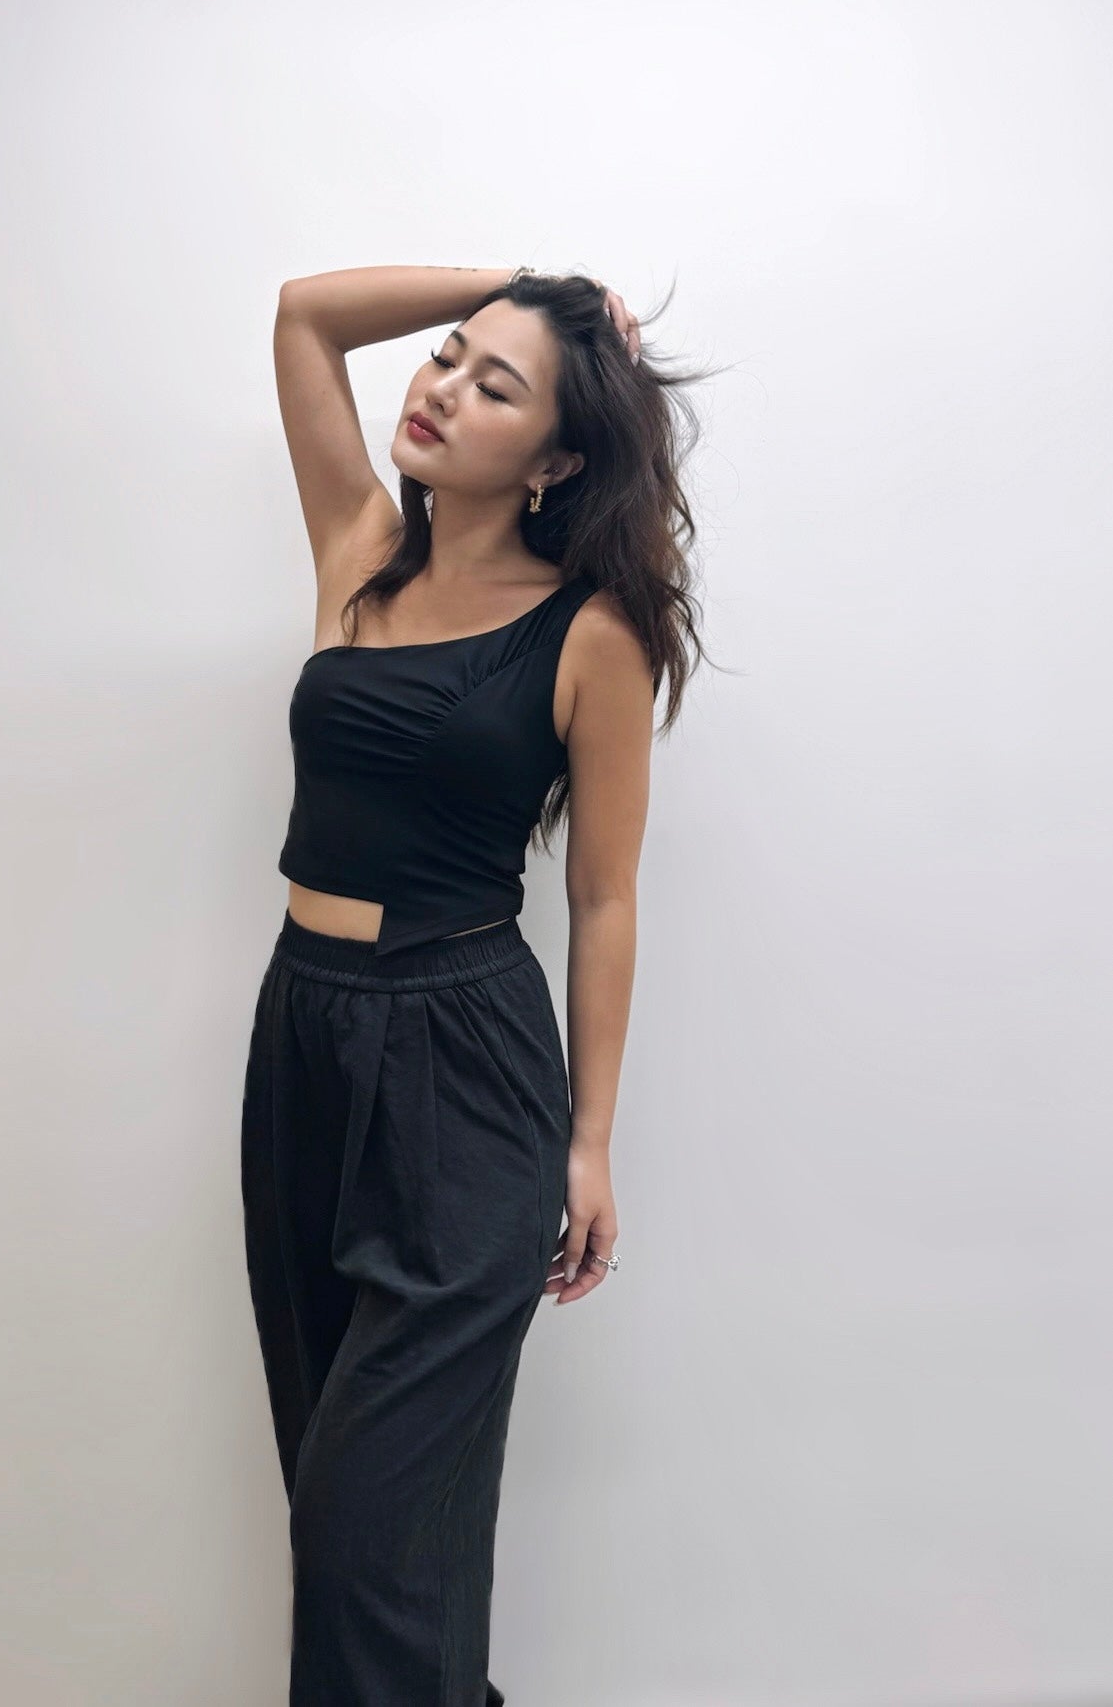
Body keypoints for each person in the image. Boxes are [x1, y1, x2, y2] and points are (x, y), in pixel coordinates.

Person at [241, 262, 715, 1705]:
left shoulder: (591, 632)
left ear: (556, 462)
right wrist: (521, 279)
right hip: (304, 1039)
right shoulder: (360, 552)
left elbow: (604, 895)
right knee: (346, 1517)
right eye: (447, 357)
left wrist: (590, 1140)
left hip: (464, 1068)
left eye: (493, 384)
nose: (440, 388)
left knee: (364, 1533)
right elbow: (306, 315)